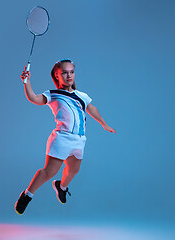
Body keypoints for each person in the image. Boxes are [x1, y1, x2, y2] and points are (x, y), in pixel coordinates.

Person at [15, 59, 115, 215]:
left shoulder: (81, 95)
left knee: (74, 170)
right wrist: (26, 82)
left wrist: (104, 123)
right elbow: (33, 98)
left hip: (80, 139)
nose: (69, 75)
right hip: (62, 138)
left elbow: (92, 109)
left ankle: (60, 187)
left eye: (71, 72)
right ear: (57, 75)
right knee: (49, 172)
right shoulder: (53, 95)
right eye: (64, 72)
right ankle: (27, 195)